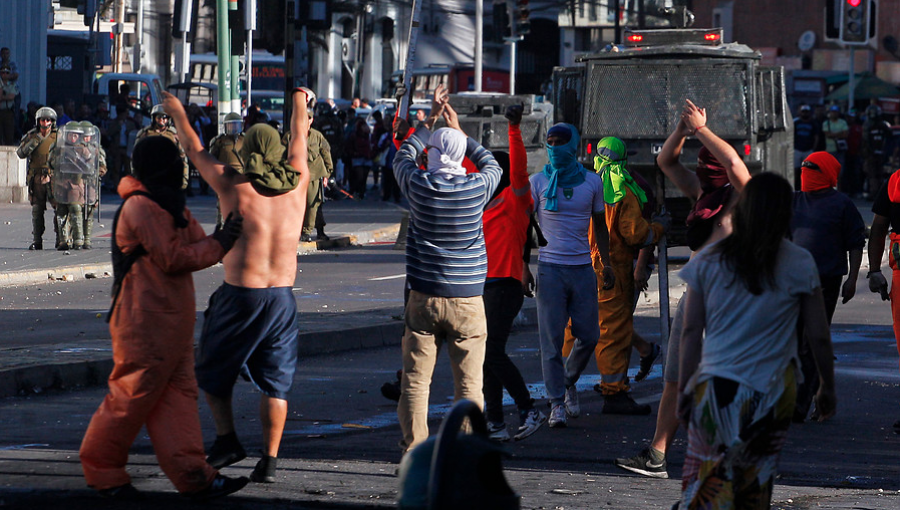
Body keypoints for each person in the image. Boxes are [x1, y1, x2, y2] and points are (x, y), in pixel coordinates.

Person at [79, 136, 248, 501]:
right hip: (143, 324)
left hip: (170, 325)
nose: (180, 170)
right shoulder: (141, 206)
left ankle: (194, 475)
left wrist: (222, 236)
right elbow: (174, 257)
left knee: (178, 400)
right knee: (131, 395)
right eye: (175, 162)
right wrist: (221, 242)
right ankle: (103, 470)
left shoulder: (169, 205)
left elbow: (196, 245)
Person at [163, 87, 311, 483]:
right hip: (281, 298)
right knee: (276, 382)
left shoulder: (232, 183)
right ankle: (271, 461)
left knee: (211, 371)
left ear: (248, 151)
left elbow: (194, 149)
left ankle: (227, 439)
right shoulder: (299, 182)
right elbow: (299, 134)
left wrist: (178, 112)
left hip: (239, 295)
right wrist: (299, 99)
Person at [677, 172, 836, 508]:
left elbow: (691, 332)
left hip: (717, 386)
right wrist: (826, 386)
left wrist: (685, 388)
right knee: (755, 483)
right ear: (785, 212)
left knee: (708, 482)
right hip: (774, 391)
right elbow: (818, 335)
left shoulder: (709, 258)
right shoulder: (799, 261)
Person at [616, 99, 751, 479]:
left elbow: (737, 166)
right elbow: (667, 162)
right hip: (696, 296)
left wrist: (704, 131)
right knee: (675, 375)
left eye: (712, 165)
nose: (703, 171)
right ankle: (657, 455)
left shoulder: (742, 196)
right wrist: (684, 130)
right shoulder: (701, 193)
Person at [392, 84, 502, 453]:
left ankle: (413, 453)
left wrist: (432, 122)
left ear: (432, 154)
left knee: (415, 383)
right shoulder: (476, 187)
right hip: (468, 300)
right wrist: (463, 136)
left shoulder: (419, 184)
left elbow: (403, 155)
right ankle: (464, 456)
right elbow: (493, 164)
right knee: (470, 385)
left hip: (423, 298)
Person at [563, 137, 670, 415]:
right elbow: (636, 234)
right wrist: (658, 228)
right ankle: (614, 393)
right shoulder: (623, 190)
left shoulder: (583, 184)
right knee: (613, 332)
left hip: (577, 267)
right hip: (610, 273)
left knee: (573, 328)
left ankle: (562, 385)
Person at [531, 121, 614, 429]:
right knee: (551, 342)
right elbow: (523, 228)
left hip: (582, 269)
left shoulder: (592, 183)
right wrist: (524, 268)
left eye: (559, 143)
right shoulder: (537, 182)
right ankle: (556, 404)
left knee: (590, 335)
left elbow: (601, 228)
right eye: (549, 143)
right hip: (550, 269)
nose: (554, 149)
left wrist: (606, 265)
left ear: (573, 146)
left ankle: (567, 381)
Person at [482, 104, 546, 442]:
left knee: (491, 351)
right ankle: (494, 423)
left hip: (506, 284)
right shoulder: (481, 202)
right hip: (481, 284)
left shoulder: (514, 198)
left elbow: (520, 168)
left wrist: (514, 127)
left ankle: (528, 409)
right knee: (484, 355)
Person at [790, 151, 864, 422]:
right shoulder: (794, 200)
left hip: (825, 284)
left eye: (811, 169)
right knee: (792, 342)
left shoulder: (842, 204)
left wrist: (853, 280)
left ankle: (801, 403)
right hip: (791, 284)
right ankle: (792, 399)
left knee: (811, 343)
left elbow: (856, 243)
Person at [866, 162, 900, 436]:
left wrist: (876, 270)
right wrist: (874, 270)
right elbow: (878, 228)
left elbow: (878, 228)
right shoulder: (894, 182)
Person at [282, 92, 333, 242]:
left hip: (314, 174)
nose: (307, 121)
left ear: (312, 120)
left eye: (309, 118)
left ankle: (309, 231)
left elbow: (326, 153)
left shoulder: (317, 136)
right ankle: (295, 229)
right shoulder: (289, 136)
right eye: (304, 118)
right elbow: (281, 154)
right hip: (296, 175)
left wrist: (327, 174)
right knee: (295, 204)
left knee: (313, 204)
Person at [17, 107, 59, 250]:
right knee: (37, 209)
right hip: (37, 178)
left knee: (59, 208)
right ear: (38, 121)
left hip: (54, 177)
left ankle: (61, 239)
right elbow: (21, 153)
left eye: (48, 120)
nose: (45, 122)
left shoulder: (58, 136)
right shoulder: (32, 136)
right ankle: (37, 240)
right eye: (42, 119)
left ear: (52, 122)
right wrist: (36, 140)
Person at [135, 104, 189, 190]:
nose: (161, 120)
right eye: (159, 117)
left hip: (169, 173)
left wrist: (184, 179)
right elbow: (136, 156)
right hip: (150, 173)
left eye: (164, 118)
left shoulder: (175, 135)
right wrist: (136, 176)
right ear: (154, 118)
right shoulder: (144, 134)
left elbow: (183, 158)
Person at [209, 112, 245, 229]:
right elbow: (211, 159)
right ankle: (221, 227)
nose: (234, 129)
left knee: (242, 203)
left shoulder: (245, 140)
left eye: (236, 125)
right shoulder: (220, 141)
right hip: (224, 175)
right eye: (231, 126)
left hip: (241, 176)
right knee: (222, 203)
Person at [862, 104, 892, 199]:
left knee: (874, 174)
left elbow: (865, 141)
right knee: (876, 173)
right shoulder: (883, 125)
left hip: (875, 154)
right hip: (876, 153)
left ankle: (875, 193)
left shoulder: (882, 125)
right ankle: (878, 192)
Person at [793, 104, 821, 189]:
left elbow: (816, 136)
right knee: (795, 170)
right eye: (803, 112)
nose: (805, 114)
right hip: (797, 149)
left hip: (808, 149)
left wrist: (813, 148)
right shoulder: (796, 122)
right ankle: (794, 186)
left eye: (806, 112)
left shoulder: (813, 123)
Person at [823, 105, 849, 181]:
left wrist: (833, 134)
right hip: (830, 150)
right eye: (833, 112)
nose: (834, 114)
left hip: (840, 150)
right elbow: (827, 135)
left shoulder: (843, 122)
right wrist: (840, 134)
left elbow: (845, 134)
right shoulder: (826, 123)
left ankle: (839, 190)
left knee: (840, 171)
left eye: (836, 112)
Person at [0, 65, 18, 145]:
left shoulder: (12, 84)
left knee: (8, 134)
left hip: (8, 112)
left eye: (7, 73)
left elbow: (12, 97)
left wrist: (2, 97)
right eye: (3, 72)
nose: (4, 74)